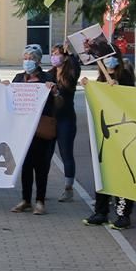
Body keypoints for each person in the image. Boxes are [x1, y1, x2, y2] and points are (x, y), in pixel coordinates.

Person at [80, 53, 136, 229]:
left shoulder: (125, 76)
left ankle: (123, 215)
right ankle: (101, 212)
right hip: (105, 135)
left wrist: (117, 87)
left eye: (110, 57)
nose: (107, 62)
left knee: (122, 176)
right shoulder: (100, 79)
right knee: (102, 172)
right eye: (104, 58)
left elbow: (130, 98)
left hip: (121, 135)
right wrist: (89, 86)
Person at [11, 46, 58, 214]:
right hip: (24, 129)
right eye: (25, 57)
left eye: (31, 58)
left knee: (41, 166)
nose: (27, 61)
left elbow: (58, 102)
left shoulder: (47, 77)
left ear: (38, 61)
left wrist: (54, 92)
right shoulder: (18, 78)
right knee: (26, 166)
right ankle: (25, 200)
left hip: (41, 128)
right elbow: (11, 98)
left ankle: (40, 201)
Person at [50, 44, 81, 202]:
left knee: (66, 154)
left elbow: (76, 66)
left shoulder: (70, 73)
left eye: (57, 54)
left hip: (66, 119)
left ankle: (68, 188)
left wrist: (71, 54)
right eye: (52, 53)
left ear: (65, 57)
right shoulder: (49, 73)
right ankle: (41, 188)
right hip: (50, 120)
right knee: (46, 154)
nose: (54, 56)